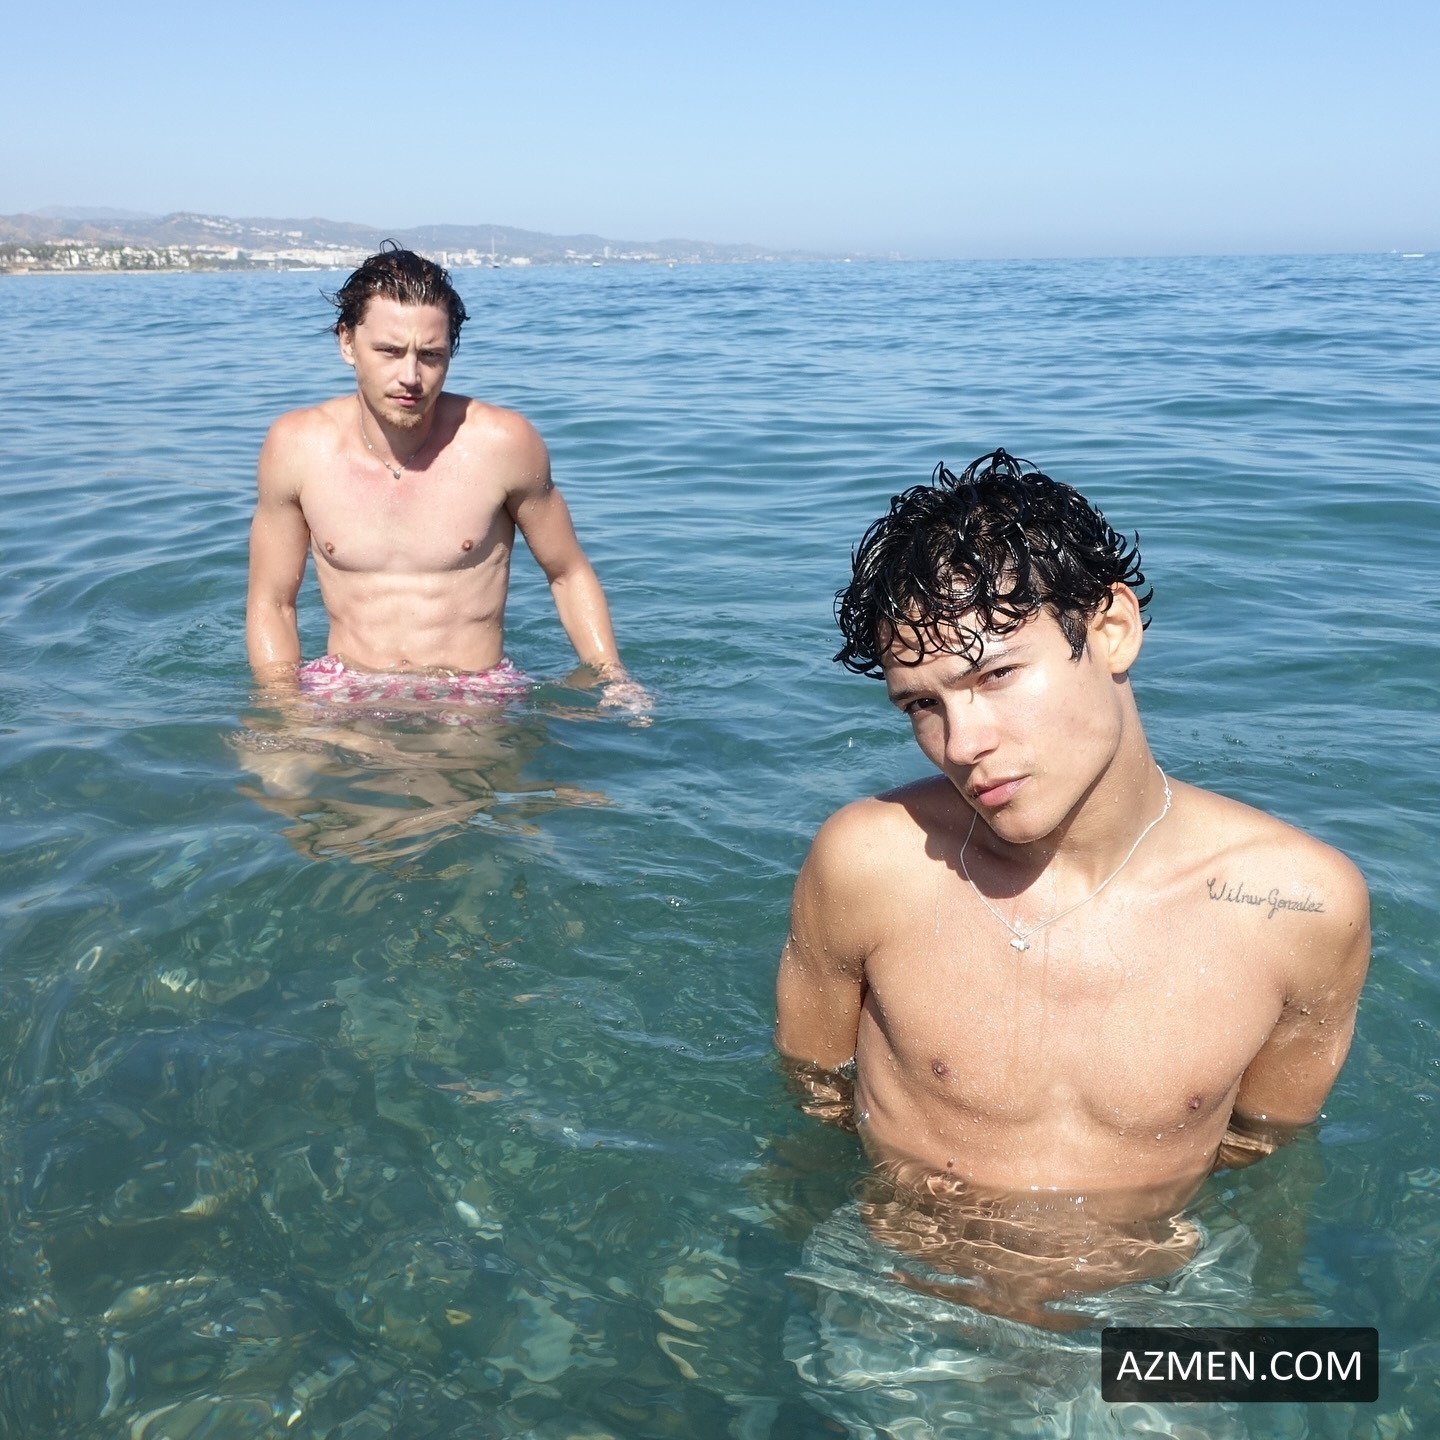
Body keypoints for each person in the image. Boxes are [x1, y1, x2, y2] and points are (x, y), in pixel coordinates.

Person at [775, 449, 1369, 1326]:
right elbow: (812, 1090)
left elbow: (1266, 1148)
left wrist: (1263, 1304)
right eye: (921, 705)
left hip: (1152, 1301)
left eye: (995, 675)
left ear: (1113, 629)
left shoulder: (1302, 907)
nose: (962, 743)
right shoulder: (869, 863)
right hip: (901, 1290)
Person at [245, 244, 645, 715]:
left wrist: (612, 676)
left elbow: (567, 572)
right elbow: (272, 601)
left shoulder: (503, 443)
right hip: (344, 689)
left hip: (474, 692)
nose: (410, 376)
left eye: (431, 355)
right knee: (271, 764)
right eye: (389, 351)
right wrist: (282, 705)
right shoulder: (297, 447)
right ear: (347, 343)